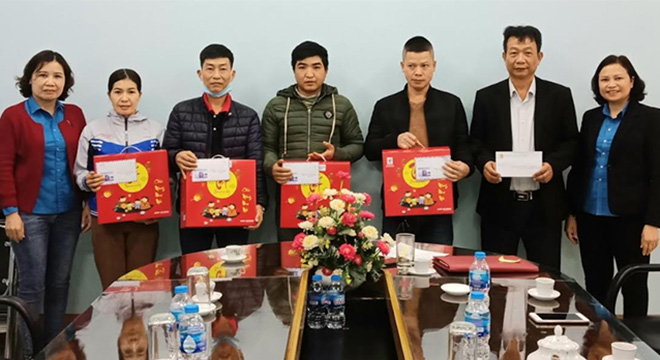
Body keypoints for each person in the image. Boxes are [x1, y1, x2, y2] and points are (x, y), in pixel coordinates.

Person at [470, 26, 578, 270]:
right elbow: (475, 141)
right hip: (499, 205)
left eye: (528, 53)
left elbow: (572, 142)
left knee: (546, 279)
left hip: (544, 206)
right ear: (504, 56)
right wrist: (485, 163)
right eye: (514, 52)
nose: (520, 59)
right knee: (496, 279)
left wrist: (553, 165)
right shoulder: (487, 97)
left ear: (539, 57)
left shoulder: (559, 96)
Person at [0, 50, 89, 344]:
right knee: (33, 286)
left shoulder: (74, 115)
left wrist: (87, 203)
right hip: (29, 214)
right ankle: (29, 356)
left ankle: (53, 349)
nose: (50, 82)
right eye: (42, 74)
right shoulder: (13, 116)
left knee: (60, 283)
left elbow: (83, 163)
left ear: (66, 81)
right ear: (30, 79)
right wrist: (10, 211)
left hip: (69, 212)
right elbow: (3, 166)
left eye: (57, 76)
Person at [566, 55, 660, 317]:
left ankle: (634, 347)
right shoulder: (591, 118)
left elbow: (658, 174)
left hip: (631, 219)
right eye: (604, 79)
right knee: (595, 285)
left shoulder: (651, 119)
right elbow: (580, 167)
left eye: (618, 78)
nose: (611, 84)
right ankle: (597, 342)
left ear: (631, 81)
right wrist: (572, 213)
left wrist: (654, 222)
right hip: (590, 216)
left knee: (634, 285)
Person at [364, 36, 473, 244]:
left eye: (424, 65)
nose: (418, 72)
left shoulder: (451, 103)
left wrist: (466, 167)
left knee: (438, 264)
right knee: (395, 266)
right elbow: (369, 149)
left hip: (439, 201)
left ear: (434, 66)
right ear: (402, 66)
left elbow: (463, 145)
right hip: (397, 202)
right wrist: (394, 139)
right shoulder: (385, 106)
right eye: (412, 66)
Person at [163, 44, 267, 254]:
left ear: (232, 73)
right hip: (194, 207)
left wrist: (259, 204)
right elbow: (166, 154)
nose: (216, 75)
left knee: (236, 272)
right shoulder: (181, 112)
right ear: (200, 73)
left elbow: (256, 163)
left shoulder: (248, 116)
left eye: (222, 68)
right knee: (194, 268)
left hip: (236, 208)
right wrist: (176, 157)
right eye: (210, 69)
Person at [262, 41, 364, 241]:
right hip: (289, 193)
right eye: (302, 67)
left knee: (330, 259)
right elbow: (266, 146)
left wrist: (337, 154)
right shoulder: (277, 105)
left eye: (316, 67)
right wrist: (272, 166)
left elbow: (358, 145)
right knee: (291, 255)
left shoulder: (341, 104)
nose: (309, 74)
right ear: (294, 70)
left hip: (331, 198)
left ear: (326, 70)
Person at [74, 69, 163, 290]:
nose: (124, 98)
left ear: (140, 95)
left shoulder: (155, 130)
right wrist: (88, 181)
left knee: (142, 287)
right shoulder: (93, 130)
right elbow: (79, 172)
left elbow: (165, 175)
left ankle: (138, 326)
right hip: (104, 220)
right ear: (109, 95)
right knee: (112, 288)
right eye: (118, 92)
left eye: (131, 91)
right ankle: (115, 325)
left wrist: (159, 205)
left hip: (145, 221)